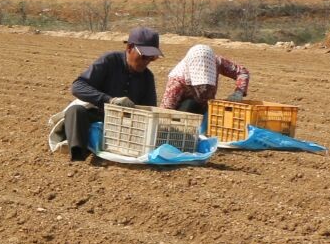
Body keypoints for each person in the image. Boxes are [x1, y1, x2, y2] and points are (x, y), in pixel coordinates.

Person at [63, 25, 162, 163]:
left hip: (125, 125)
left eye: (151, 58)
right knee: (75, 111)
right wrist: (110, 100)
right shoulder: (109, 61)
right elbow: (78, 86)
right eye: (144, 56)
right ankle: (79, 158)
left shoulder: (147, 78)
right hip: (99, 115)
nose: (146, 62)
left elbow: (149, 112)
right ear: (129, 48)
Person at [161, 43, 250, 114]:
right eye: (200, 85)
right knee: (190, 104)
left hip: (207, 105)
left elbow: (242, 72)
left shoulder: (217, 62)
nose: (204, 88)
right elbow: (165, 111)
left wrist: (239, 92)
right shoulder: (176, 81)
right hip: (185, 113)